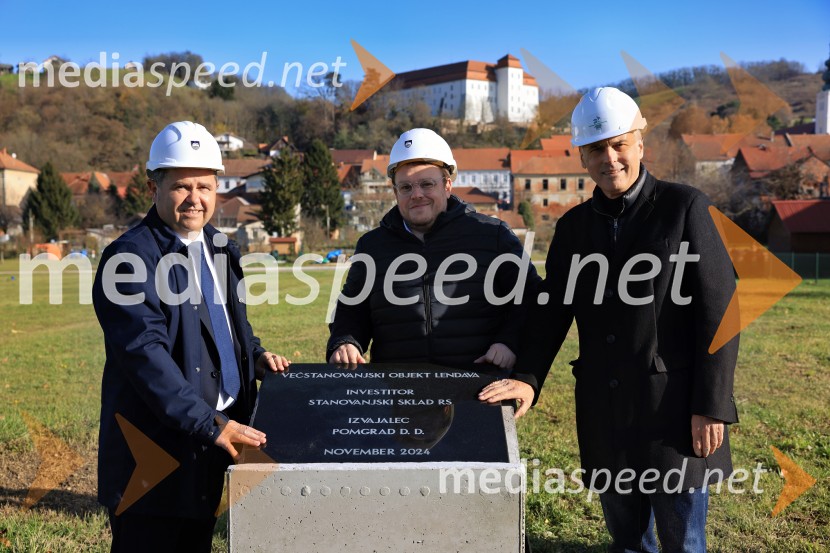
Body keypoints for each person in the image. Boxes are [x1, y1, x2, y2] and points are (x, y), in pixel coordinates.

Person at [480, 87, 739, 552]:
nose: (610, 157)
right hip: (606, 414)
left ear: (641, 144)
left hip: (674, 416)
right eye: (597, 148)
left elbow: (721, 310)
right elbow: (551, 312)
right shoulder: (574, 228)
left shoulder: (685, 208)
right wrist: (528, 378)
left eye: (619, 143)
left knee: (685, 544)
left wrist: (712, 405)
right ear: (582, 156)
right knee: (627, 542)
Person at [92, 121, 290, 552]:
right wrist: (211, 424)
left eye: (205, 185)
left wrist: (254, 356)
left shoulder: (219, 246)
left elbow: (230, 323)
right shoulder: (128, 260)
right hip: (155, 454)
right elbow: (146, 358)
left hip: (215, 443)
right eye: (182, 186)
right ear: (153, 187)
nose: (196, 199)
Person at [327, 128, 539, 379]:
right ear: (395, 192)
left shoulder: (493, 236)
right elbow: (351, 310)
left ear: (447, 185)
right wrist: (345, 342)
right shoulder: (372, 247)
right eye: (405, 187)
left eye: (427, 184)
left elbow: (530, 298)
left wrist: (509, 342)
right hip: (398, 390)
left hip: (479, 386)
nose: (416, 194)